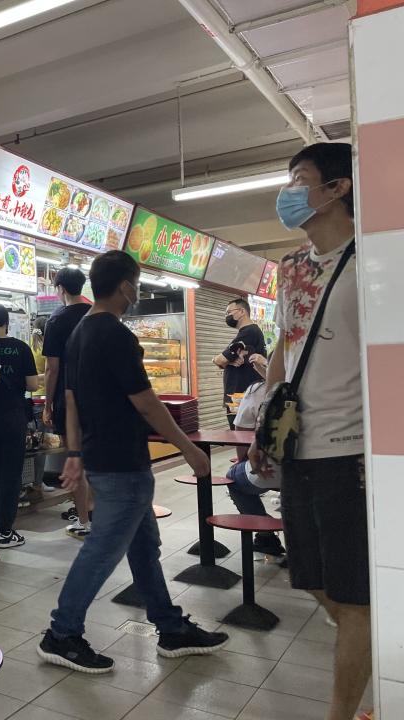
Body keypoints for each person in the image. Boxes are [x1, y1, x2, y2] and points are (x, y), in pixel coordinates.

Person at [38, 250, 228, 673]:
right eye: (137, 282)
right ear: (125, 286)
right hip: (124, 462)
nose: (137, 290)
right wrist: (188, 447)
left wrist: (74, 452)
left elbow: (69, 400)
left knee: (144, 548)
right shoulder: (117, 336)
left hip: (102, 457)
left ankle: (170, 627)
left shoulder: (78, 334)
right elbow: (145, 402)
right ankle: (62, 632)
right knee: (102, 551)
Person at [248, 142, 369, 720]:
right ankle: (365, 635)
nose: (289, 192)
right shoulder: (291, 268)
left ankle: (342, 712)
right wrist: (264, 422)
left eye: (300, 179)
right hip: (297, 446)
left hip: (353, 453)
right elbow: (284, 347)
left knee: (353, 595)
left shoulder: (374, 256)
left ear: (337, 187)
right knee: (311, 578)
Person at [43, 267, 95, 539]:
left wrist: (48, 403)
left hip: (69, 398)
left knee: (75, 460)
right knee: (94, 459)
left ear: (60, 288)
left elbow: (52, 368)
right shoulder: (96, 314)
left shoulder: (57, 320)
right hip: (98, 397)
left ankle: (84, 522)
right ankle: (96, 514)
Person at [0, 303, 38, 549]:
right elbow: (32, 385)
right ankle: (5, 529)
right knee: (11, 473)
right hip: (14, 417)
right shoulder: (21, 348)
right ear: (6, 322)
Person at [223, 377, 285, 558]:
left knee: (234, 480)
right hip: (314, 468)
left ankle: (266, 536)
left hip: (269, 469)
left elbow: (241, 431)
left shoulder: (258, 390)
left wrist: (243, 462)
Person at [212, 298, 266, 429]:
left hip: (240, 398)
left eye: (229, 312)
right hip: (241, 398)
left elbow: (221, 360)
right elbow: (225, 361)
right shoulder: (249, 332)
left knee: (240, 439)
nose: (227, 316)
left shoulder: (248, 332)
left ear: (242, 311)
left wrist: (216, 359)